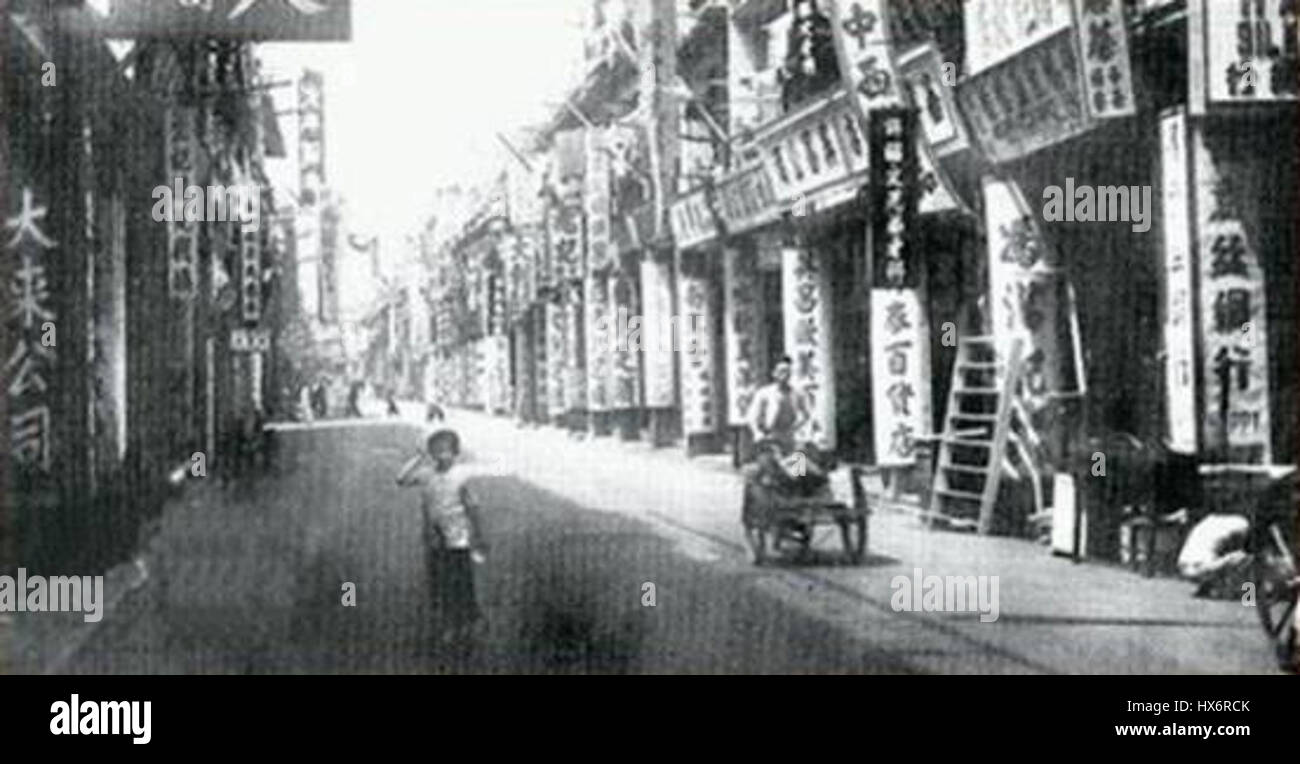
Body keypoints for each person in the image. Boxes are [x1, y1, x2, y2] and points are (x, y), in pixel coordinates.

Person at [395, 429, 488, 656]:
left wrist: (479, 535)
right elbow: (401, 479)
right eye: (436, 449)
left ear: (455, 452)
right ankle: (452, 624)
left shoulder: (461, 476)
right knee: (439, 583)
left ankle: (467, 621)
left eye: (446, 449)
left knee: (460, 582)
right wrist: (418, 457)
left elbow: (472, 507)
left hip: (458, 538)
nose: (441, 454)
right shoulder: (427, 474)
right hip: (434, 538)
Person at [1177, 512, 1251, 597]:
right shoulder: (1242, 524)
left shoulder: (1209, 520)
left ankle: (1205, 589)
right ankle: (1248, 595)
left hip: (1183, 567)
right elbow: (1240, 549)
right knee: (1245, 557)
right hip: (1202, 568)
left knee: (1215, 557)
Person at [748, 356, 810, 454]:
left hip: (789, 436)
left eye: (788, 372)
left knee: (800, 460)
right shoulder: (764, 393)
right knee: (770, 463)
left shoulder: (797, 393)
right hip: (769, 437)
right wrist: (757, 433)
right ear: (774, 373)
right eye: (781, 371)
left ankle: (800, 469)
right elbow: (752, 417)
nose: (785, 374)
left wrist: (797, 428)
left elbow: (806, 414)